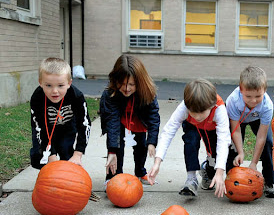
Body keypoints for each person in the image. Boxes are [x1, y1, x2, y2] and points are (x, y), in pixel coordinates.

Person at [148, 79, 231, 198]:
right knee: (190, 141)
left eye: (201, 112)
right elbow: (168, 131)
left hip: (211, 127)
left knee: (214, 154)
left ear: (211, 106)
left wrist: (220, 172)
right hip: (191, 125)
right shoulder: (186, 106)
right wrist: (157, 162)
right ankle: (191, 179)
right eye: (193, 112)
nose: (197, 116)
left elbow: (224, 141)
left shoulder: (219, 109)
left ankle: (207, 168)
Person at [100, 54, 160, 186]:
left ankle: (140, 171)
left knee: (141, 147)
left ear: (140, 82)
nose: (127, 89)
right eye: (122, 84)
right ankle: (113, 176)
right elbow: (112, 122)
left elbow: (153, 117)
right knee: (117, 148)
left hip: (138, 119)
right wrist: (112, 151)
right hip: (119, 119)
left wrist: (152, 141)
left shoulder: (148, 92)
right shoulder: (111, 94)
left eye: (131, 84)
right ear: (115, 80)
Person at [30, 57, 91, 169]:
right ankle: (48, 177)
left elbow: (84, 124)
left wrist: (78, 153)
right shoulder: (37, 98)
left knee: (67, 154)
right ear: (40, 83)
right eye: (48, 85)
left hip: (67, 127)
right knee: (39, 158)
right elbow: (40, 128)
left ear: (69, 83)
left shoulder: (76, 96)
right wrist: (51, 155)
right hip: (46, 127)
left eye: (60, 85)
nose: (55, 91)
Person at [225, 66, 274, 197]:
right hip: (238, 119)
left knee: (269, 143)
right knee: (232, 146)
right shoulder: (233, 101)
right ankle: (231, 180)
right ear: (241, 90)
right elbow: (235, 131)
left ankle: (269, 182)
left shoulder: (267, 105)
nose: (253, 101)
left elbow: (261, 136)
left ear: (265, 90)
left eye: (258, 96)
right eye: (248, 96)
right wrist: (241, 152)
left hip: (257, 118)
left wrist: (253, 163)